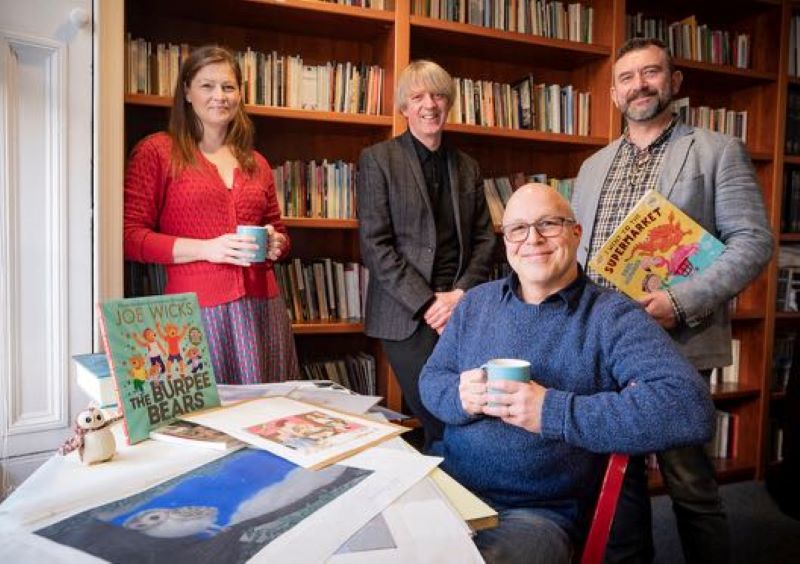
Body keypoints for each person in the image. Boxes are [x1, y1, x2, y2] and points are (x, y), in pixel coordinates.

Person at [419, 184, 715, 564]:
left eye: (548, 224)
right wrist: (459, 397)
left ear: (576, 233)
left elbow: (688, 407)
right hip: (448, 487)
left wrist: (552, 412)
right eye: (518, 229)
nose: (533, 239)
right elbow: (432, 379)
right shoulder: (476, 303)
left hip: (538, 514)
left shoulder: (612, 317)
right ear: (506, 240)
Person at [571, 37, 774, 563]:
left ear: (674, 82)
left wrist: (679, 302)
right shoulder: (592, 167)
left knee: (688, 481)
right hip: (603, 341)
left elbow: (753, 242)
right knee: (618, 478)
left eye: (651, 73)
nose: (639, 84)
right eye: (627, 77)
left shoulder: (714, 151)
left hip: (675, 342)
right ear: (613, 92)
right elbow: (579, 255)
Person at [124, 45, 299, 385]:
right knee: (206, 423)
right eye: (207, 86)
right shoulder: (158, 151)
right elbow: (129, 237)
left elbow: (279, 232)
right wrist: (207, 249)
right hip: (194, 315)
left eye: (228, 87)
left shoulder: (257, 163)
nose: (219, 96)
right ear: (187, 91)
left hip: (264, 311)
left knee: (265, 418)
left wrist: (277, 242)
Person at [357, 60, 496, 450]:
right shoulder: (378, 160)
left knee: (471, 411)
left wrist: (460, 294)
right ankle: (452, 503)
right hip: (406, 313)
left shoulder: (468, 167)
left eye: (437, 96)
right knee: (439, 416)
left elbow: (486, 240)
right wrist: (427, 302)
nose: (429, 105)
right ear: (404, 108)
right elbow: (375, 245)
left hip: (461, 309)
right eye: (417, 97)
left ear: (448, 103)